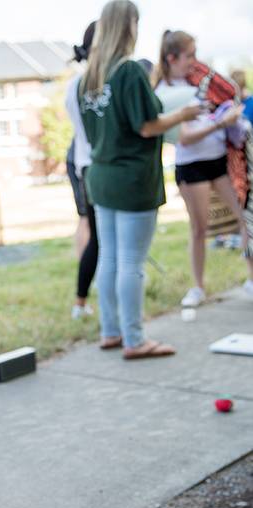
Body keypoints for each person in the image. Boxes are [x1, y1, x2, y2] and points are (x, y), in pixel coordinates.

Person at [79, 0, 200, 358]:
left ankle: (111, 331)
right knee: (131, 260)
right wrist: (184, 113)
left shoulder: (90, 75)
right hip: (131, 177)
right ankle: (135, 339)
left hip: (101, 175)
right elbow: (147, 125)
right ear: (129, 25)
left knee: (110, 258)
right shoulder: (129, 71)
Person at [155, 31, 253, 306]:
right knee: (199, 228)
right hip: (192, 166)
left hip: (219, 161)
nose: (194, 62)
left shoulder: (199, 84)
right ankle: (198, 287)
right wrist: (220, 123)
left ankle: (251, 278)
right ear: (172, 58)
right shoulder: (167, 92)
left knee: (244, 218)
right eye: (190, 56)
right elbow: (183, 136)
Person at [65, 21, 98, 320]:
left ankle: (81, 301)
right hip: (94, 165)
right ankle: (81, 301)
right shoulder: (90, 82)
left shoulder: (74, 83)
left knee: (94, 232)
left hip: (83, 163)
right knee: (98, 236)